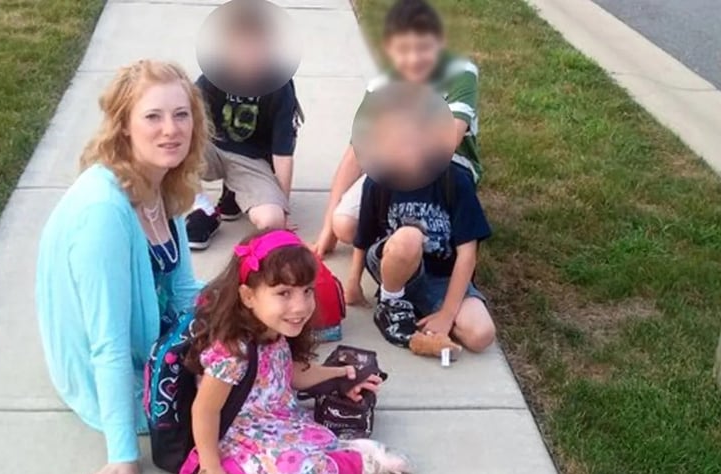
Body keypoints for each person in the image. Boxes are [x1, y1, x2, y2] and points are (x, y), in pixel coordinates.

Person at [35, 60, 208, 474]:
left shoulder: (164, 181)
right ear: (125, 125)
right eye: (153, 116)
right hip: (115, 364)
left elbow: (184, 288)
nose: (171, 129)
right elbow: (107, 342)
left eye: (181, 114)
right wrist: (123, 456)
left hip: (154, 330)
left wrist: (240, 313)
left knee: (260, 334)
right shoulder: (104, 212)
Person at [182, 229, 404, 474]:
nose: (300, 306)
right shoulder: (233, 350)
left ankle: (353, 462)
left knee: (325, 447)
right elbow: (205, 410)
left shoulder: (273, 332)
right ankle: (356, 465)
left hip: (279, 423)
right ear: (248, 296)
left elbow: (290, 374)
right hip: (241, 438)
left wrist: (342, 374)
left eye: (307, 290)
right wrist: (210, 466)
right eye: (284, 293)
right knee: (303, 468)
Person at [313, 0, 482, 257]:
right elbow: (355, 154)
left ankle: (411, 235)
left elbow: (450, 138)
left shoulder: (460, 73)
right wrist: (327, 228)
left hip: (449, 166)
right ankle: (401, 232)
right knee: (345, 226)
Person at [346, 155, 496, 352]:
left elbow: (467, 254)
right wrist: (353, 281)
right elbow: (363, 238)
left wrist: (447, 314)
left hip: (443, 278)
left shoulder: (456, 179)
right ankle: (391, 303)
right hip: (395, 265)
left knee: (481, 335)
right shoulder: (379, 178)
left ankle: (421, 315)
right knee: (410, 237)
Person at [185, 3, 303, 250]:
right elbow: (187, 118)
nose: (249, 53)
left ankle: (234, 194)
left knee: (272, 221)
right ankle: (203, 209)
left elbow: (283, 154)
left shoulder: (280, 87)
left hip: (250, 160)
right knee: (174, 137)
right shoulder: (213, 77)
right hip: (211, 149)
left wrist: (283, 207)